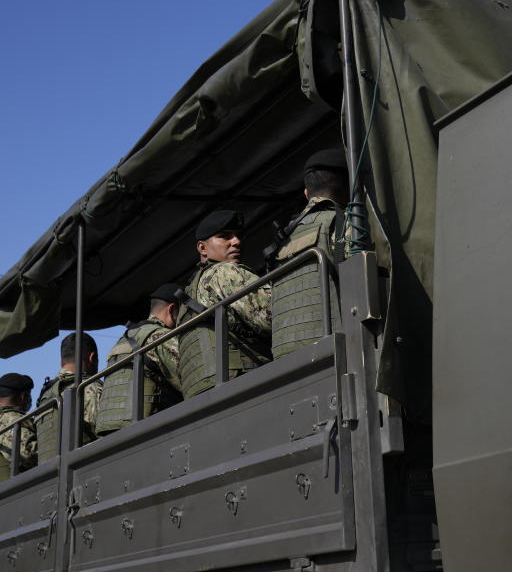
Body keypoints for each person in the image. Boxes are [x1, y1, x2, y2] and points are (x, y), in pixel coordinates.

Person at [177, 210, 272, 398]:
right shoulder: (225, 273)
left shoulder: (190, 292)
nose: (236, 242)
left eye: (238, 236)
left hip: (201, 393)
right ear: (203, 248)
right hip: (243, 383)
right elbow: (274, 319)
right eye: (225, 237)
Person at [268, 149, 348, 359]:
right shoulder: (344, 223)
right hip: (337, 351)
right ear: (347, 187)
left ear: (306, 193)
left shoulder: (282, 242)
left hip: (285, 359)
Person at [94, 284, 183, 437]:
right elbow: (188, 378)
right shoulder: (160, 337)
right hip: (147, 432)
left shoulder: (123, 340)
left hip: (110, 436)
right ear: (171, 310)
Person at [35, 333, 103, 461]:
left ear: (61, 362)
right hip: (86, 467)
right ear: (92, 358)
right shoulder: (89, 387)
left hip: (48, 475)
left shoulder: (45, 395)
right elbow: (106, 432)